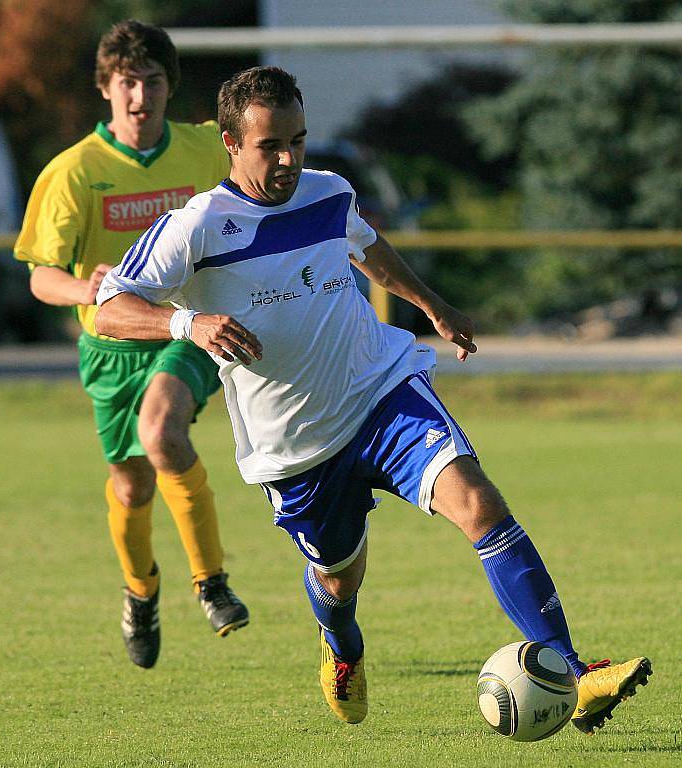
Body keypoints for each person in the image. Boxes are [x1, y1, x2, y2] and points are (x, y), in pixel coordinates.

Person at [94, 65, 651, 731]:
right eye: (270, 145)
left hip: (381, 391)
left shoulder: (328, 193)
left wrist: (431, 305)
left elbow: (367, 245)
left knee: (479, 502)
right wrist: (189, 323)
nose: (288, 158)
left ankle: (575, 670)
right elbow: (109, 307)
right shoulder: (196, 228)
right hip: (296, 448)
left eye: (297, 141)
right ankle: (343, 648)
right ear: (230, 143)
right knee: (338, 579)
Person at [14, 20, 249, 670]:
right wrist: (86, 292)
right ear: (106, 89)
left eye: (151, 82)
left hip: (189, 331)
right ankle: (141, 591)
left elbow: (264, 165)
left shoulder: (206, 150)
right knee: (130, 487)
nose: (139, 96)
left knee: (164, 433)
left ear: (169, 88)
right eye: (126, 83)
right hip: (112, 346)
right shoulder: (74, 172)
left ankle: (212, 582)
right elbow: (41, 276)